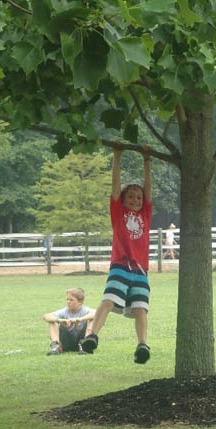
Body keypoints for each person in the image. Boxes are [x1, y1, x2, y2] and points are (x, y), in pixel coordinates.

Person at [81, 144, 152, 364]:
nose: (136, 200)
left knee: (141, 309)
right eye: (131, 196)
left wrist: (147, 159)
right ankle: (92, 335)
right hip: (121, 266)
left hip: (141, 270)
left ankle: (142, 344)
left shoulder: (146, 214)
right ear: (122, 199)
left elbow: (148, 188)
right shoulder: (118, 212)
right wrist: (117, 156)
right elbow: (115, 184)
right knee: (109, 301)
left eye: (138, 197)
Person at [42, 287, 95, 355]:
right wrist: (60, 320)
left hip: (80, 341)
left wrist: (80, 319)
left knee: (92, 319)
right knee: (52, 321)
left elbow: (97, 313)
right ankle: (55, 347)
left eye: (71, 300)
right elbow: (46, 316)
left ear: (80, 302)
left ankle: (86, 346)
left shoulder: (86, 310)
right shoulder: (64, 311)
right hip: (66, 342)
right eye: (67, 299)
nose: (68, 302)